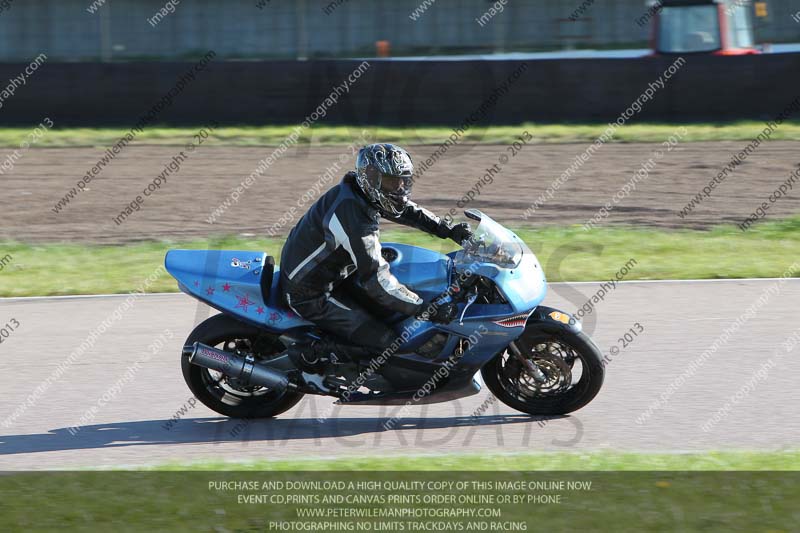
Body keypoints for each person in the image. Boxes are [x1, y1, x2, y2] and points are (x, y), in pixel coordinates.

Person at [279, 143, 472, 391]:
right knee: (385, 340)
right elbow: (375, 280)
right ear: (371, 178)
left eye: (403, 181)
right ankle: (310, 355)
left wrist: (448, 230)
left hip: (335, 274)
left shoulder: (359, 193)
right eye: (393, 182)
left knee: (394, 307)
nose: (400, 188)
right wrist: (424, 308)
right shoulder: (353, 216)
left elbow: (406, 211)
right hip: (310, 292)